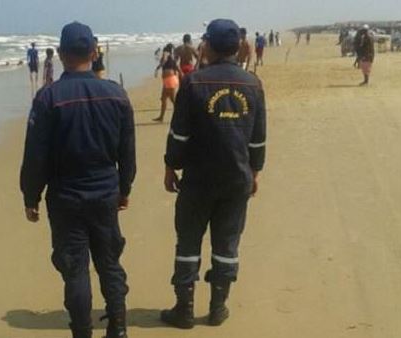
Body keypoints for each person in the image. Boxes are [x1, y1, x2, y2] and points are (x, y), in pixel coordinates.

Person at [20, 21, 136, 338]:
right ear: (94, 52)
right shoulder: (116, 95)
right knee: (109, 262)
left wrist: (31, 196)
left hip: (66, 197)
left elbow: (35, 156)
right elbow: (127, 151)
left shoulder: (49, 98)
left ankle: (82, 332)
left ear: (60, 54)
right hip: (104, 194)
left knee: (75, 269)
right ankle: (119, 327)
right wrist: (125, 187)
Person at [160, 18, 266, 328]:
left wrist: (170, 166)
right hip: (237, 179)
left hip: (198, 180)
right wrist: (255, 171)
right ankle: (218, 307)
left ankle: (185, 308)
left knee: (189, 242)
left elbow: (179, 135)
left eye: (205, 41)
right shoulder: (253, 84)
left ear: (209, 45)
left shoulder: (194, 83)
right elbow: (258, 138)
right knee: (227, 244)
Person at [153, 43, 181, 122]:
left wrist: (158, 68)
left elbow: (164, 60)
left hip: (169, 79)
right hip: (170, 79)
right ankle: (161, 117)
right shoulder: (173, 57)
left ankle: (182, 116)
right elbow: (176, 67)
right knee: (163, 98)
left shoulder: (166, 53)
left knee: (173, 100)